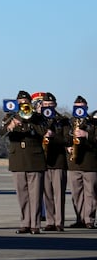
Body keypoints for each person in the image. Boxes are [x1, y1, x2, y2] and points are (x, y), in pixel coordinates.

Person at [0, 88, 47, 233]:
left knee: (35, 195)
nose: (23, 105)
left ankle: (35, 225)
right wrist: (12, 125)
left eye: (25, 103)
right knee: (22, 195)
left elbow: (44, 132)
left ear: (30, 103)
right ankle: (25, 223)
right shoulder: (10, 116)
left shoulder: (38, 118)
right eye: (20, 103)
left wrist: (30, 121)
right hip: (18, 159)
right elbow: (0, 133)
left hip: (34, 159)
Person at [39, 92, 71, 231]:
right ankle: (50, 222)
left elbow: (68, 140)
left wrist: (53, 136)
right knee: (47, 194)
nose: (48, 107)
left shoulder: (62, 120)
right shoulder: (38, 120)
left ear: (55, 105)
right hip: (43, 162)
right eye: (45, 105)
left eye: (50, 105)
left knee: (59, 194)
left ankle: (59, 222)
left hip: (58, 161)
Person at [69, 97, 96, 229]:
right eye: (76, 106)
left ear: (86, 107)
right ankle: (79, 219)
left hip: (90, 163)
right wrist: (68, 147)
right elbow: (63, 138)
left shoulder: (93, 122)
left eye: (81, 106)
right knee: (76, 193)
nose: (79, 108)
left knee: (90, 193)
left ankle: (89, 220)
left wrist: (86, 135)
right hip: (75, 163)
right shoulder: (70, 122)